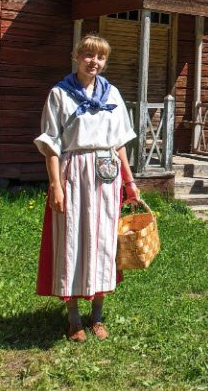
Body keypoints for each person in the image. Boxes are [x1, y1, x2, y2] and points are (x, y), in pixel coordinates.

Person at [34, 34, 141, 342]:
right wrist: (55, 185)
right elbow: (51, 146)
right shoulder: (60, 95)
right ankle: (73, 318)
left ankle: (97, 315)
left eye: (100, 57)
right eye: (89, 55)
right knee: (72, 241)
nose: (94, 62)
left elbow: (119, 144)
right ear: (77, 56)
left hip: (106, 178)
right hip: (73, 175)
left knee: (103, 243)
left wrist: (129, 182)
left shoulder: (113, 95)